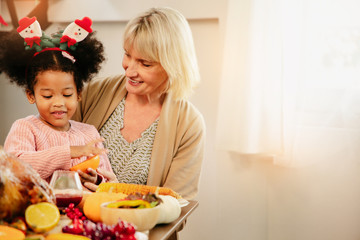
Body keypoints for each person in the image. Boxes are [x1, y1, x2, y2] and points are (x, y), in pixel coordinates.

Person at [73, 7, 205, 200]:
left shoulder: (189, 124)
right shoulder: (93, 93)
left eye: (145, 64)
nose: (129, 71)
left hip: (138, 230)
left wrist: (121, 196)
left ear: (172, 66)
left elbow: (178, 206)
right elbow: (54, 155)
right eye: (127, 55)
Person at [0, 16, 113, 184]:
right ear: (31, 95)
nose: (58, 102)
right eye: (47, 96)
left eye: (67, 95)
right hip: (40, 209)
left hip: (83, 208)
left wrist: (96, 179)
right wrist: (70, 152)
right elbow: (15, 169)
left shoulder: (89, 133)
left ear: (79, 94)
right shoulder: (25, 128)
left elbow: (108, 181)